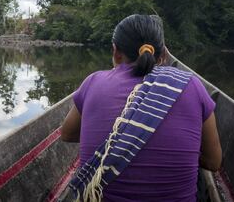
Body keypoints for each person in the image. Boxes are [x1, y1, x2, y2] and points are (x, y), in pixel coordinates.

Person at [61, 14, 221, 202]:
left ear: (115, 51)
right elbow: (213, 162)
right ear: (162, 55)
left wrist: (116, 141)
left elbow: (67, 134)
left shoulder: (93, 82)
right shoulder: (191, 85)